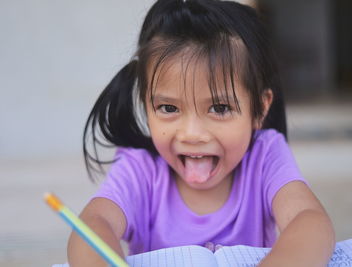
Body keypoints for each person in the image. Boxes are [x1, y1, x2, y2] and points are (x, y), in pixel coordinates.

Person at [67, 0, 335, 266]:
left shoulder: (264, 156)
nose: (192, 134)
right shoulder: (140, 169)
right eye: (169, 107)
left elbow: (309, 220)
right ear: (146, 105)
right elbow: (93, 225)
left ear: (259, 109)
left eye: (219, 108)